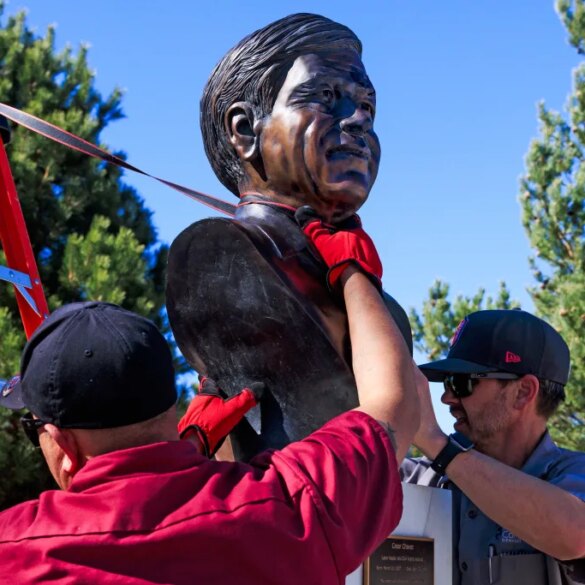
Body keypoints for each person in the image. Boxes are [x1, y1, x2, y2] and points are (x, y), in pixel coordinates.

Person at [0, 219, 420, 584]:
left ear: (61, 444)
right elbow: (392, 410)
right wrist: (353, 271)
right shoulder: (285, 509)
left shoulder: (14, 552)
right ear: (173, 407)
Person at [166, 13, 413, 460]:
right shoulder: (220, 255)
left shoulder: (381, 307)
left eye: (367, 107)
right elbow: (384, 436)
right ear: (244, 129)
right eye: (325, 96)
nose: (358, 119)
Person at [401, 309, 585, 585]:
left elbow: (576, 534)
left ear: (523, 392)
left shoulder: (573, 474)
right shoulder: (421, 478)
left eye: (462, 383)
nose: (447, 397)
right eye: (448, 382)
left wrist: (438, 445)